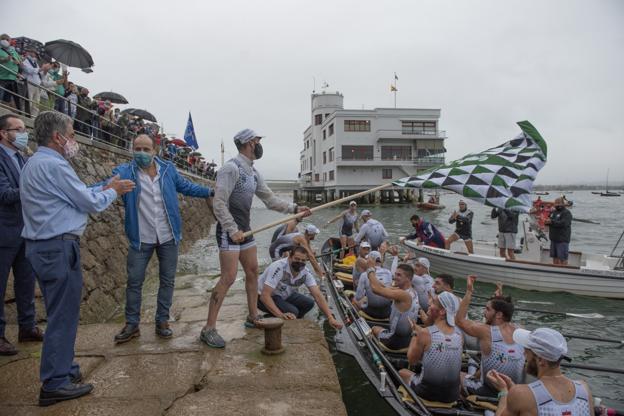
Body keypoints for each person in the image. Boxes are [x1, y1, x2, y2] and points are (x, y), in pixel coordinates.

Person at [20, 111, 135, 406]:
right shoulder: (55, 166)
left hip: (42, 247)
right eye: (71, 135)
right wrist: (112, 191)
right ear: (58, 137)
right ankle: (55, 382)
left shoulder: (35, 162)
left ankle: (64, 369)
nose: (74, 140)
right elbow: (89, 202)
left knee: (60, 311)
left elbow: (76, 195)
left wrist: (102, 187)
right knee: (63, 315)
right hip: (57, 247)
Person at [201, 128, 311, 349]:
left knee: (252, 272)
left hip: (246, 230)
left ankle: (253, 316)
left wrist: (295, 208)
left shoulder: (253, 172)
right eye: (258, 141)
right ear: (250, 143)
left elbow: (269, 200)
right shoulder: (230, 169)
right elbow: (219, 202)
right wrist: (232, 229)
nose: (260, 145)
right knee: (228, 278)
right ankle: (209, 328)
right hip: (229, 231)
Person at [111, 134, 214, 344]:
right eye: (137, 148)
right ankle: (132, 324)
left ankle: (162, 322)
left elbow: (187, 187)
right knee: (134, 282)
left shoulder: (168, 170)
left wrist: (210, 191)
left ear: (155, 150)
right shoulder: (124, 172)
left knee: (167, 281)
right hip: (141, 238)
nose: (141, 153)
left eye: (145, 149)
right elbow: (108, 185)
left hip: (168, 236)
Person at [0, 114, 44, 356]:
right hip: (4, 232)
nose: (22, 133)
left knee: (26, 282)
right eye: (17, 129)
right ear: (3, 133)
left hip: (26, 230)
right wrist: (34, 187)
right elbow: (5, 195)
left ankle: (27, 327)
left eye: (23, 128)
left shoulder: (24, 158)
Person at [487, 327, 593, 416]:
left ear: (541, 360)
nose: (524, 355)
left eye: (527, 352)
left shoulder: (520, 393)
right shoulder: (584, 388)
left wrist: (504, 391)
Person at [456, 275, 525, 398]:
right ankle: (475, 376)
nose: (484, 312)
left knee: (454, 374)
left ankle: (465, 401)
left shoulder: (486, 331)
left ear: (498, 315)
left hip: (488, 392)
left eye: (487, 309)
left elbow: (459, 321)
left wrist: (469, 291)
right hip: (514, 393)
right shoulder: (521, 330)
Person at [399, 291, 463, 403]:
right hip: (452, 396)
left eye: (433, 302)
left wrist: (414, 334)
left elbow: (412, 360)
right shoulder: (459, 334)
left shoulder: (425, 333)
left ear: (442, 311)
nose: (429, 303)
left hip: (427, 393)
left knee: (402, 372)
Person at [257, 246, 342, 329]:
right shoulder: (278, 267)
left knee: (309, 303)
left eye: (303, 260)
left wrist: (330, 317)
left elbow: (318, 295)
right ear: (290, 257)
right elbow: (265, 296)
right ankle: (279, 318)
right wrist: (281, 315)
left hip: (283, 296)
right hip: (263, 298)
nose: (300, 262)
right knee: (293, 311)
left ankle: (289, 321)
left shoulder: (305, 273)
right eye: (297, 259)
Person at [366, 257, 419, 351]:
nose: (395, 277)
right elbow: (384, 287)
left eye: (399, 275)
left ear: (408, 278)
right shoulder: (412, 291)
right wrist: (376, 280)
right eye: (395, 274)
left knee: (374, 329)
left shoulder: (403, 295)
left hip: (395, 341)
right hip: (407, 339)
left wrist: (370, 270)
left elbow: (376, 289)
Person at [352, 251, 393, 320]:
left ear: (369, 261)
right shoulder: (389, 273)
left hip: (371, 312)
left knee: (353, 299)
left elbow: (358, 297)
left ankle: (353, 319)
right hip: (387, 312)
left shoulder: (364, 275)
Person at [544, 197, 572, 265]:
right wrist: (546, 222)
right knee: (554, 257)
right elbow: (549, 221)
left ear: (563, 203)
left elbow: (564, 223)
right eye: (556, 203)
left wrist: (551, 222)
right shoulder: (553, 212)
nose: (557, 204)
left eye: (559, 203)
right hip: (553, 239)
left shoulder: (566, 213)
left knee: (563, 258)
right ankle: (555, 271)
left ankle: (565, 272)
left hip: (562, 240)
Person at [0, 34, 23, 112]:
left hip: (12, 77)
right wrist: (5, 59)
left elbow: (20, 62)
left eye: (7, 39)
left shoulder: (13, 51)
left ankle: (3, 113)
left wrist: (18, 62)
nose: (5, 41)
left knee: (7, 98)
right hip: (2, 77)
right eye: (4, 39)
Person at [20, 47, 42, 118]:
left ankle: (33, 118)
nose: (34, 54)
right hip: (29, 83)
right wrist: (40, 69)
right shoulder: (25, 60)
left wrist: (44, 70)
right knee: (28, 101)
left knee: (36, 104)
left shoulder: (36, 63)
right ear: (29, 52)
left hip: (37, 86)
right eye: (32, 52)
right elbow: (28, 70)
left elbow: (39, 73)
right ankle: (25, 116)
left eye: (35, 53)